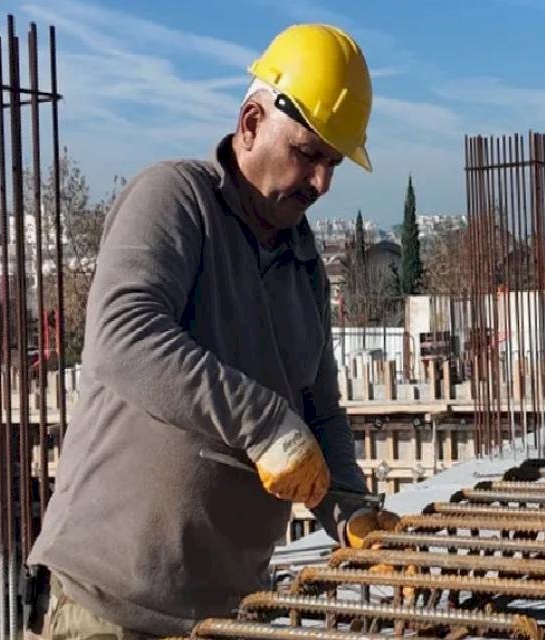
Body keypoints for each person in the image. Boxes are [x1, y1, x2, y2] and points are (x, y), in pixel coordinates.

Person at [24, 23, 397, 639]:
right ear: (251, 122)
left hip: (222, 616)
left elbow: (319, 411)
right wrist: (265, 423)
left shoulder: (305, 266)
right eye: (308, 153)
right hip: (106, 609)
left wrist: (350, 508)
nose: (322, 183)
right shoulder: (176, 200)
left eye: (332, 163)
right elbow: (123, 334)